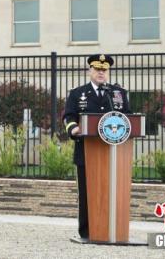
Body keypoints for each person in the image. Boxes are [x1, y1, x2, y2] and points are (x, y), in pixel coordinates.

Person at [62, 54, 131, 241]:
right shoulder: (78, 93)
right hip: (86, 152)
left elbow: (128, 118)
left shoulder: (118, 93)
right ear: (90, 71)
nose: (101, 73)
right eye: (97, 69)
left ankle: (113, 230)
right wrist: (73, 128)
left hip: (115, 154)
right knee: (86, 194)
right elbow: (68, 116)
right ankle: (87, 232)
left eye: (104, 70)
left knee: (113, 191)